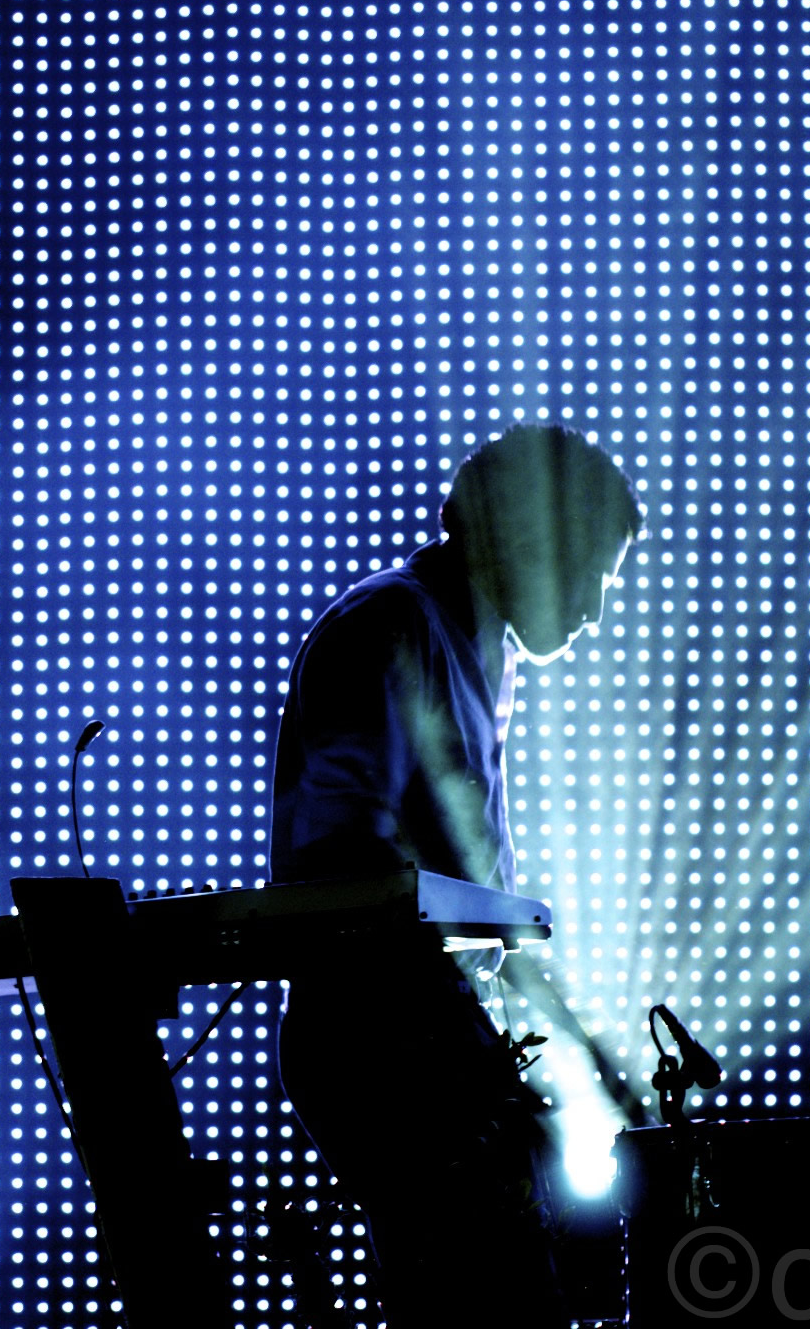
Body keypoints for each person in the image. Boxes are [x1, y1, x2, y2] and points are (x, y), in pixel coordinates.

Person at [269, 424, 642, 1328]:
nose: (595, 614)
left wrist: (579, 1051)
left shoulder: (473, 647)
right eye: (594, 577)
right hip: (387, 1047)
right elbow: (348, 869)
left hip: (422, 1045)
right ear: (531, 538)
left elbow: (468, 908)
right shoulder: (389, 627)